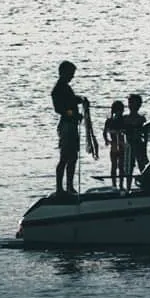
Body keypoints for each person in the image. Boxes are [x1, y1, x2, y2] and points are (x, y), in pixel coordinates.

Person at [50, 60, 89, 196]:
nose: (72, 76)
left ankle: (70, 187)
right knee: (65, 157)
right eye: (71, 74)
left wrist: (82, 99)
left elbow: (72, 99)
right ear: (64, 72)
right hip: (66, 126)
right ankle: (60, 189)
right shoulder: (58, 89)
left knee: (73, 157)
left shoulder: (66, 87)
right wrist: (73, 114)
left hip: (71, 125)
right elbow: (60, 109)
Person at [119, 93, 148, 190]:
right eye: (130, 103)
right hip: (129, 145)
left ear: (139, 105)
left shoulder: (141, 119)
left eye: (133, 103)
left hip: (139, 144)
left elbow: (145, 133)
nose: (131, 105)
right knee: (128, 167)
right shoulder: (125, 118)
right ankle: (127, 187)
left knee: (142, 164)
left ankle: (145, 184)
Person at [103, 100, 126, 189]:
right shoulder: (109, 121)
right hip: (113, 145)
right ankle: (114, 184)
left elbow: (126, 131)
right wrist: (107, 140)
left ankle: (121, 184)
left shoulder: (123, 120)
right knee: (114, 165)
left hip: (121, 145)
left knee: (121, 166)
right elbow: (104, 132)